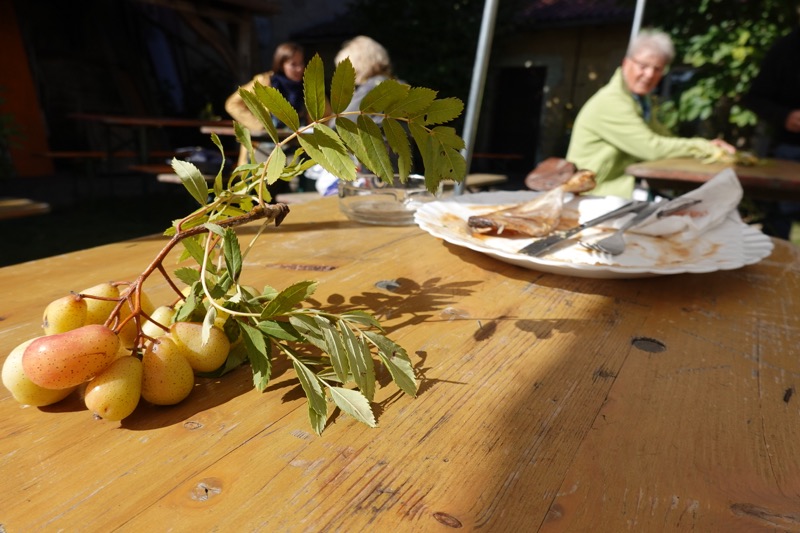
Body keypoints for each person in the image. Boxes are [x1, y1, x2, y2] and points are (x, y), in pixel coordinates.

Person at [566, 29, 735, 198]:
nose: (649, 75)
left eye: (657, 69)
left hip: (619, 188)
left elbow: (664, 137)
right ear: (626, 63)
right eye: (643, 66)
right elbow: (652, 148)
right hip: (593, 194)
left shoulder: (640, 100)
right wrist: (704, 148)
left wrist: (709, 146)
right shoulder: (612, 101)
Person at [308, 36, 398, 195]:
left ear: (359, 64)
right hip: (399, 171)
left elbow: (338, 124)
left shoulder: (371, 89)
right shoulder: (397, 84)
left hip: (376, 177)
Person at [224, 41, 307, 194]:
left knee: (295, 185)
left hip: (294, 145)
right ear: (281, 64)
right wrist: (261, 125)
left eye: (301, 63)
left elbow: (326, 114)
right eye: (293, 64)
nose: (299, 69)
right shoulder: (266, 82)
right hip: (265, 146)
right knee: (263, 186)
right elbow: (233, 103)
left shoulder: (305, 86)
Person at [743, 20, 800, 238]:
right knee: (777, 227)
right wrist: (784, 116)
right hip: (790, 151)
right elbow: (755, 98)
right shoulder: (786, 48)